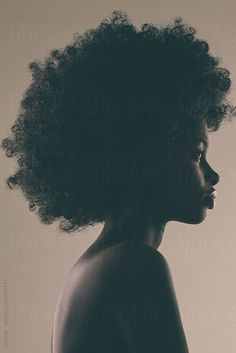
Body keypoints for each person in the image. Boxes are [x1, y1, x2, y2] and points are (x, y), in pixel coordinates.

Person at [1, 9, 235, 353]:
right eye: (197, 155)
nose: (213, 174)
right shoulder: (135, 264)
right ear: (143, 155)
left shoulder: (90, 268)